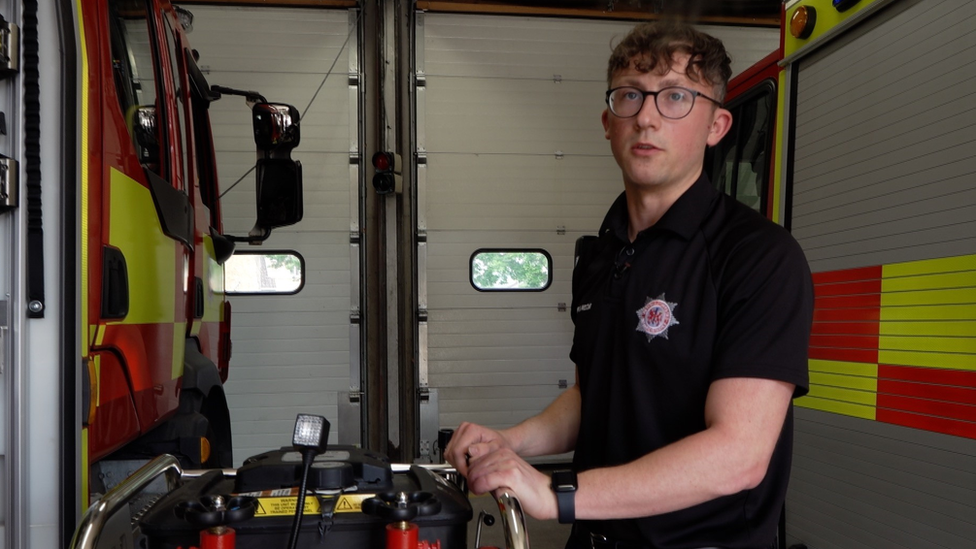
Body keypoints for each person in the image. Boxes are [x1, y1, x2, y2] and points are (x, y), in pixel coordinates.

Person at [444, 21, 813, 549]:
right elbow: (594, 395)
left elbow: (739, 456)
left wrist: (557, 495)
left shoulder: (758, 257)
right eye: (630, 96)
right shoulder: (602, 253)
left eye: (676, 97)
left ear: (717, 125)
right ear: (607, 122)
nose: (646, 116)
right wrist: (511, 441)